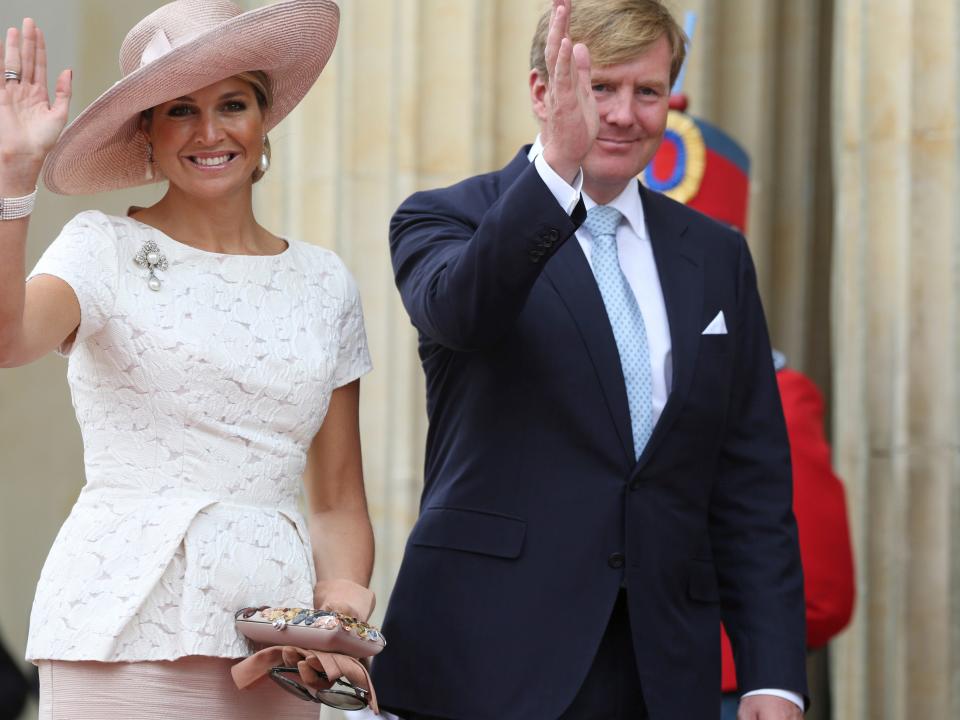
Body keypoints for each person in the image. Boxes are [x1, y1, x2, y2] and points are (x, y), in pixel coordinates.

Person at [371, 1, 808, 718]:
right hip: (486, 664)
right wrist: (556, 174)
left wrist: (772, 675)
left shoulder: (716, 255)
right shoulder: (449, 218)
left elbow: (750, 482)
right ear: (543, 92)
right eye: (598, 87)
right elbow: (462, 314)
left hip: (659, 670)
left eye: (647, 91)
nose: (624, 114)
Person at [0, 1, 376, 718]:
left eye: (232, 104)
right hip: (116, 631)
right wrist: (13, 180)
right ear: (146, 131)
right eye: (179, 111)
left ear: (264, 118)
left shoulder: (326, 283)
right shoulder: (99, 247)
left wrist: (339, 616)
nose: (209, 132)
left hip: (274, 651)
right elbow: (6, 339)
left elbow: (337, 502)